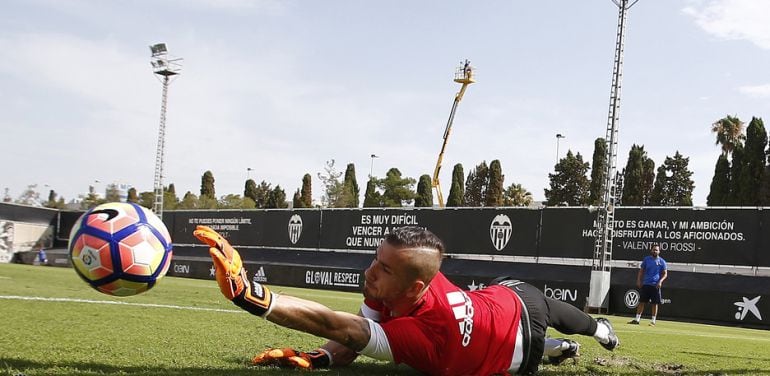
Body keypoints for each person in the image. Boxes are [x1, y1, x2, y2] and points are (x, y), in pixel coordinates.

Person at [194, 225, 619, 375]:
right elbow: (346, 343)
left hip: (519, 311)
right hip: (492, 313)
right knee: (525, 327)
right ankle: (560, 348)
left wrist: (252, 296)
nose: (370, 273)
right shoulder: (396, 286)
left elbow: (339, 327)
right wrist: (320, 359)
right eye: (375, 260)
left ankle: (597, 330)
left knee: (565, 317)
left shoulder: (422, 335)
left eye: (384, 269)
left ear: (417, 288)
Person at [628, 243, 668, 326]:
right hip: (646, 284)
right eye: (654, 249)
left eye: (656, 250)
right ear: (651, 250)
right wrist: (639, 280)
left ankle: (653, 321)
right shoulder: (646, 259)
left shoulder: (662, 262)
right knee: (641, 302)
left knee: (655, 303)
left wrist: (660, 281)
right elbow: (641, 271)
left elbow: (665, 274)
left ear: (659, 251)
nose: (655, 251)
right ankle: (637, 319)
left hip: (655, 285)